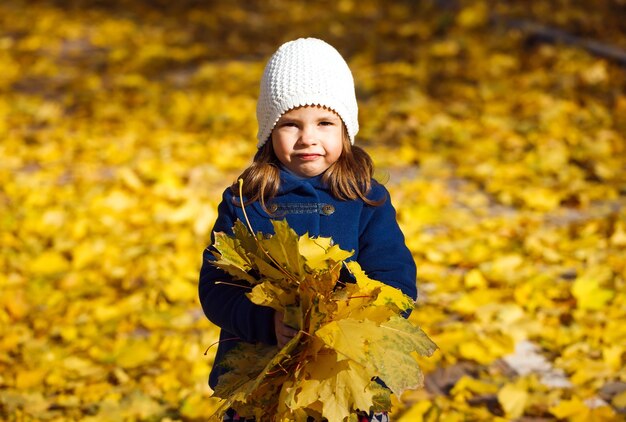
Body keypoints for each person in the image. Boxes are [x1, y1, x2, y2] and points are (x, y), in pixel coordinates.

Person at [199, 37, 417, 422]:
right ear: (269, 131)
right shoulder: (247, 202)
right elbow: (216, 286)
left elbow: (396, 280)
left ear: (346, 130)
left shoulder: (366, 199)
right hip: (263, 377)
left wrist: (349, 319)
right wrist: (265, 323)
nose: (308, 138)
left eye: (325, 123)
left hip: (346, 378)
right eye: (290, 124)